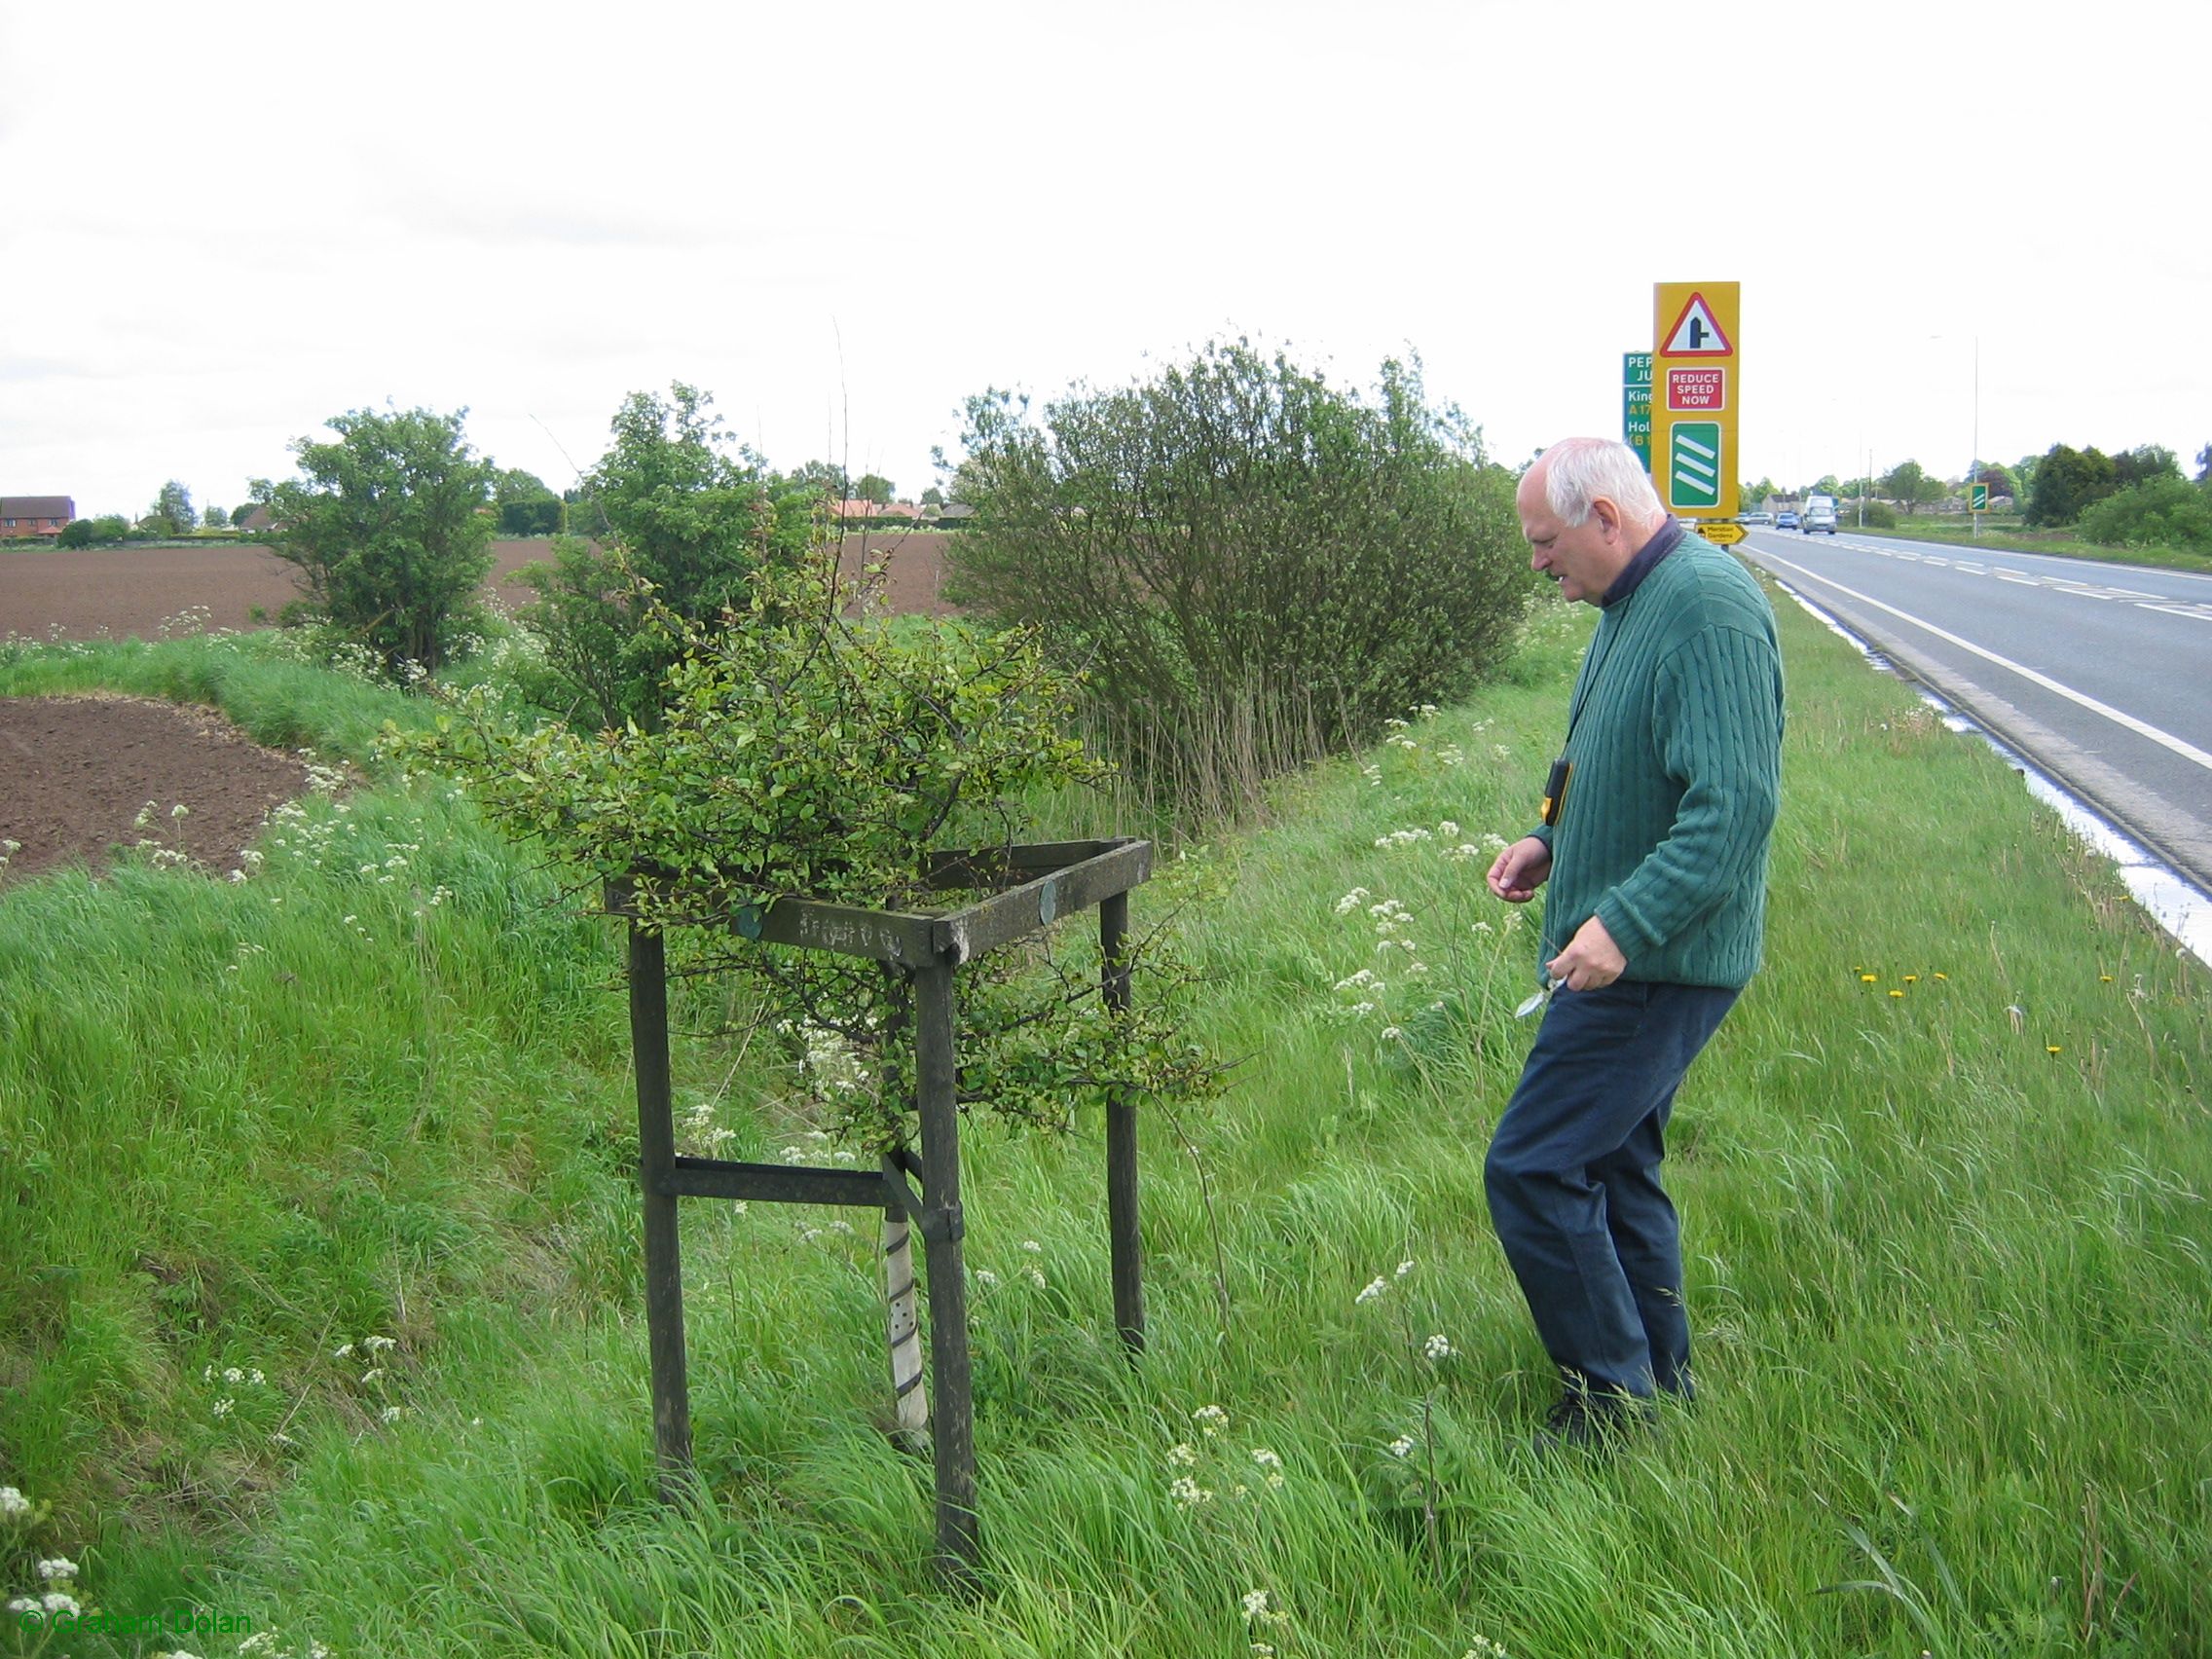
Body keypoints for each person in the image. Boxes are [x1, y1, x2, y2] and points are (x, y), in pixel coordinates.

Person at [1483, 437, 1783, 1449]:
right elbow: (1609, 754)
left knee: (1529, 1167)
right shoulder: (1629, 607)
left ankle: (1610, 1408)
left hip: (1653, 962)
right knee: (1609, 1166)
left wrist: (1625, 921)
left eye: (1544, 541)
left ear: (1603, 517)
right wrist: (1549, 838)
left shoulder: (1705, 606)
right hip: (1629, 948)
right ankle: (1661, 1381)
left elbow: (1732, 807)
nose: (1537, 563)